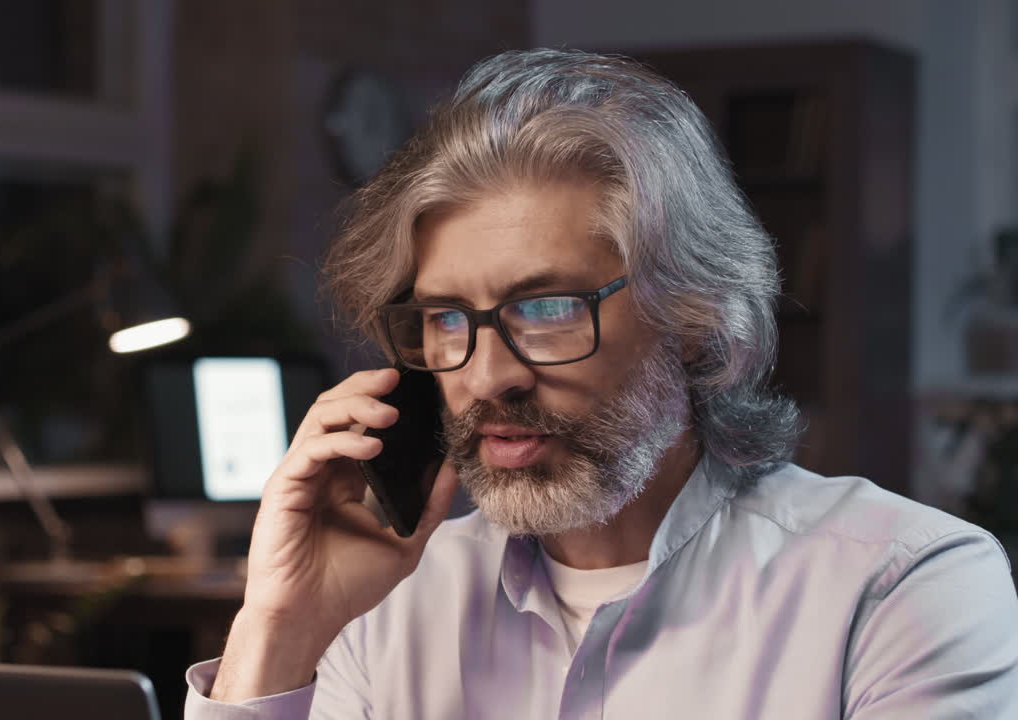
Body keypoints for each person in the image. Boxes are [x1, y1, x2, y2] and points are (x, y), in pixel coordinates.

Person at [184, 49, 1018, 718]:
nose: (486, 376)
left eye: (544, 309)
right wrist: (281, 628)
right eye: (446, 320)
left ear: (696, 317)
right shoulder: (383, 609)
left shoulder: (902, 585)